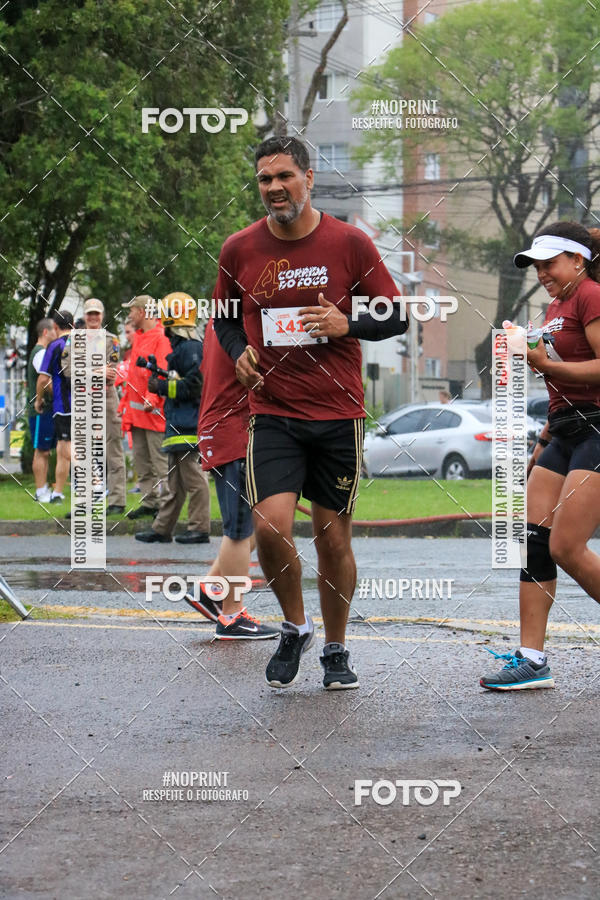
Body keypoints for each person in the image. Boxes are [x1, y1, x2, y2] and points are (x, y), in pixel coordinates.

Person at [214, 135, 407, 689]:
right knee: (269, 526)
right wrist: (238, 352)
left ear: (309, 178)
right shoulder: (239, 249)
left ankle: (336, 649)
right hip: (272, 411)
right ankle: (295, 626)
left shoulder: (349, 242)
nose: (274, 187)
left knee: (332, 538)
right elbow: (224, 318)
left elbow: (396, 316)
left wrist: (349, 324)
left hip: (337, 413)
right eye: (264, 179)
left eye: (285, 176)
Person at [481, 221, 600, 691]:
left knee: (565, 547)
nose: (542, 273)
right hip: (564, 430)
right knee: (531, 539)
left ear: (578, 260)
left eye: (550, 264)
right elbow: (561, 385)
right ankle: (532, 661)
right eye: (536, 266)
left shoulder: (590, 295)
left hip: (597, 429)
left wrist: (544, 363)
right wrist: (543, 440)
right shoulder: (554, 307)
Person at [193, 316, 279, 640]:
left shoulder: (220, 319)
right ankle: (232, 616)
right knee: (240, 529)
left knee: (256, 524)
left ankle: (212, 589)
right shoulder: (248, 319)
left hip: (223, 427)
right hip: (234, 431)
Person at [135, 292, 211, 544]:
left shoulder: (191, 348)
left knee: (195, 480)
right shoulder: (182, 348)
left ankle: (199, 529)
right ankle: (161, 529)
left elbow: (195, 386)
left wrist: (162, 387)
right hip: (178, 424)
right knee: (174, 484)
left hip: (189, 425)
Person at [120, 295, 170, 519]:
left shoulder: (161, 337)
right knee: (142, 462)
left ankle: (167, 508)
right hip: (137, 414)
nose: (129, 315)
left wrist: (152, 398)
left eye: (131, 311)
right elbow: (134, 375)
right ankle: (150, 503)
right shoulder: (140, 337)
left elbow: (161, 371)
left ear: (141, 312)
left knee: (160, 464)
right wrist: (126, 405)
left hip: (154, 414)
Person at [82, 298, 127, 515]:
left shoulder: (112, 340)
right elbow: (68, 370)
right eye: (89, 313)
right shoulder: (74, 340)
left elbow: (111, 373)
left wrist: (86, 371)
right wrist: (95, 371)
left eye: (96, 313)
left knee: (113, 448)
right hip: (83, 399)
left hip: (107, 398)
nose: (93, 317)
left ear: (102, 316)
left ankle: (117, 501)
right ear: (84, 316)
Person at [35, 309, 73, 503]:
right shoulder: (85, 344)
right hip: (86, 405)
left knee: (66, 448)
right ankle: (57, 493)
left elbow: (43, 379)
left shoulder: (55, 345)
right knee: (61, 450)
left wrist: (38, 400)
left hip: (64, 406)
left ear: (56, 326)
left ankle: (95, 478)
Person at [27, 318, 57, 503]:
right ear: (46, 332)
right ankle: (40, 491)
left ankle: (44, 487)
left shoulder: (44, 352)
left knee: (46, 451)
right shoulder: (40, 353)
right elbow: (45, 380)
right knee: (41, 451)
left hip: (47, 410)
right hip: (41, 410)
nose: (57, 332)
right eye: (54, 329)